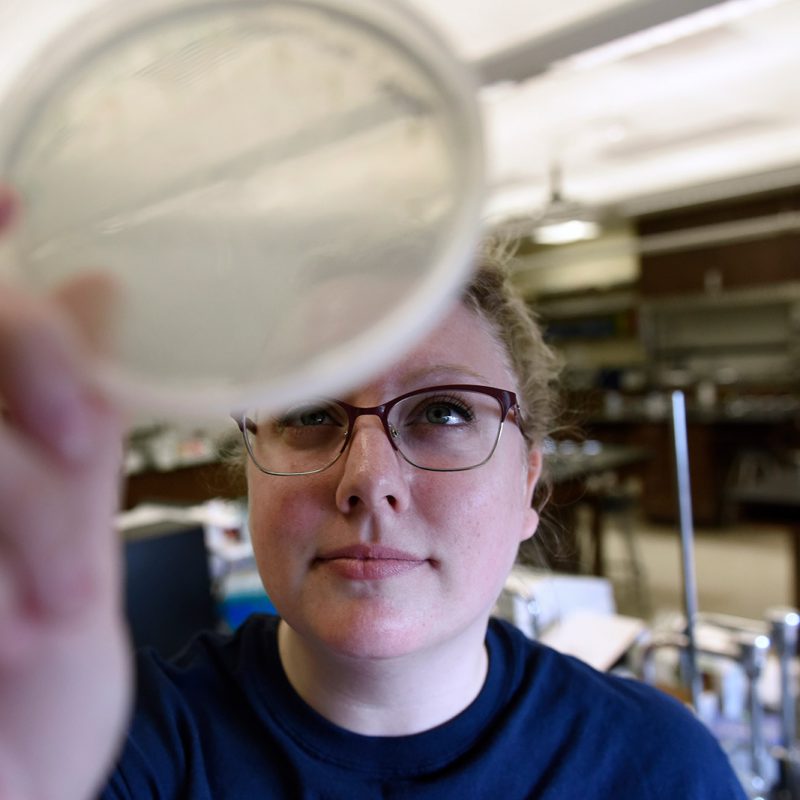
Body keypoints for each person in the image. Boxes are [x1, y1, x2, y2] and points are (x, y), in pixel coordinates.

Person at [0, 186, 746, 800]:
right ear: (249, 468)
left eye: (442, 413)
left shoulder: (657, 771)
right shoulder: (111, 750)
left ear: (530, 486)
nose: (367, 480)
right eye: (310, 413)